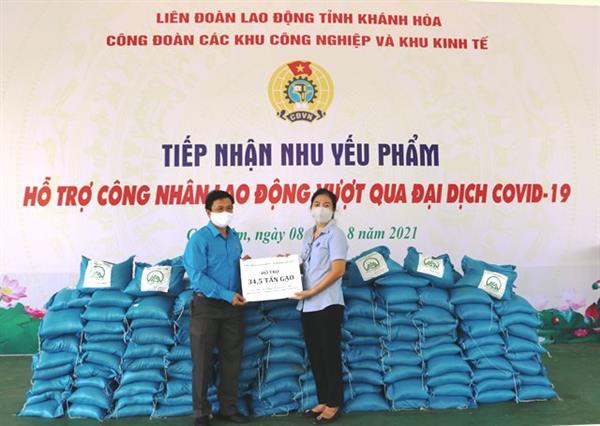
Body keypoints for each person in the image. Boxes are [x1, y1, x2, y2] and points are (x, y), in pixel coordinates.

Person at [183, 190, 250, 426]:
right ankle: (201, 412)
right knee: (202, 361)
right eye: (220, 208)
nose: (225, 212)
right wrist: (226, 295)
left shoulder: (234, 237)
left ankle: (228, 409)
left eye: (229, 208)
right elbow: (197, 277)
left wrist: (248, 269)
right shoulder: (199, 240)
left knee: (231, 359)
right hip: (206, 306)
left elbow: (234, 268)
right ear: (208, 211)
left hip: (232, 307)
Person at [292, 188, 348, 425]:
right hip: (307, 305)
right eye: (317, 203)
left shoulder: (336, 234)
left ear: (334, 210)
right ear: (310, 208)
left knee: (329, 354)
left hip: (327, 304)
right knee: (315, 355)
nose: (321, 208)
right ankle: (323, 399)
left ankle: (334, 403)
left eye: (326, 204)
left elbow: (338, 270)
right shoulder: (308, 234)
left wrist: (313, 291)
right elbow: (305, 265)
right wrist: (286, 266)